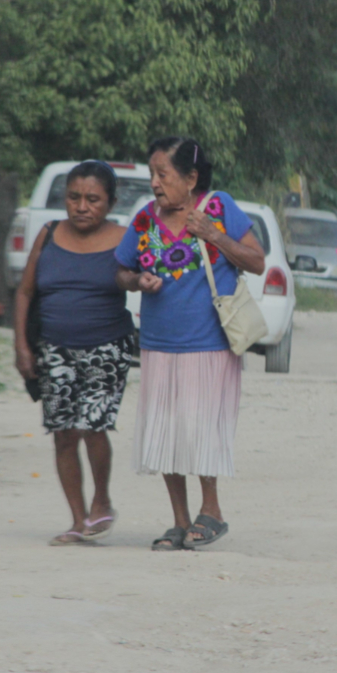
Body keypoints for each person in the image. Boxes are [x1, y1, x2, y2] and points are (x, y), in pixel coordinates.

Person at [115, 137, 266, 552]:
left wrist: (215, 235)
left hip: (209, 344)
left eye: (163, 174)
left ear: (191, 178)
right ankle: (180, 521)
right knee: (166, 432)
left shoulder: (218, 208)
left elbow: (256, 261)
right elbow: (121, 271)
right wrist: (136, 281)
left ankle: (212, 511)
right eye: (152, 175)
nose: (155, 183)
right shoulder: (146, 219)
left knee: (200, 430)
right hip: (159, 343)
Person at [13, 161, 136, 546]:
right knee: (63, 433)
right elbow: (25, 292)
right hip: (54, 349)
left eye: (93, 199)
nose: (82, 206)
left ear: (110, 202)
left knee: (92, 425)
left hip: (107, 348)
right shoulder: (48, 234)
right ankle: (77, 518)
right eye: (74, 197)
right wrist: (21, 345)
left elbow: (143, 276)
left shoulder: (125, 238)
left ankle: (101, 500)